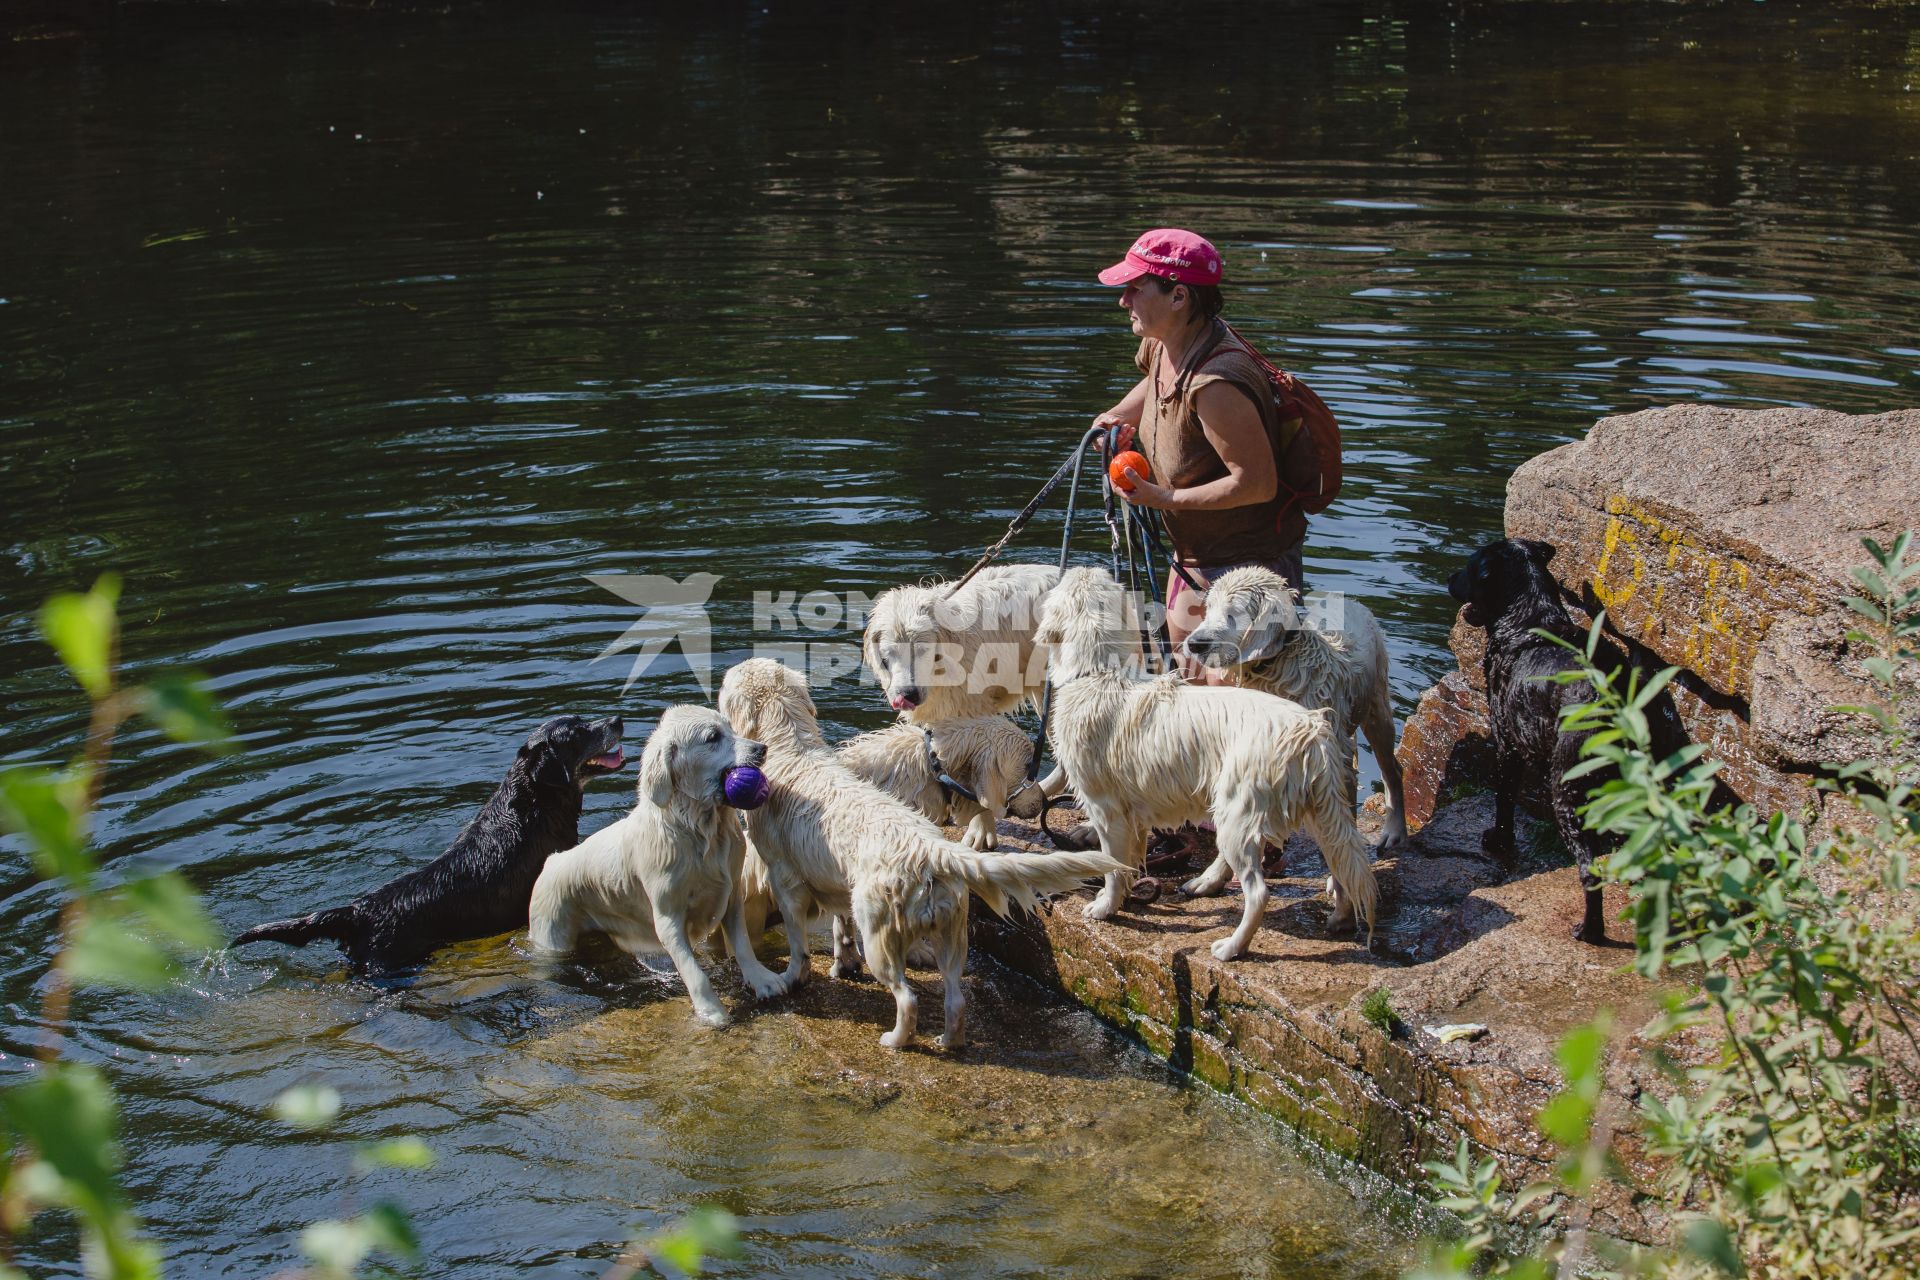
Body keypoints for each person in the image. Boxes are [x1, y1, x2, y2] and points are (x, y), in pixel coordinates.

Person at [1091, 228, 1310, 686]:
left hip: (1247, 573)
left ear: (1179, 297)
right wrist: (1113, 418)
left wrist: (1160, 498)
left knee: (1234, 718)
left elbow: (1255, 484)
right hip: (1192, 559)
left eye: (1135, 287)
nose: (1123, 300)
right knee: (1189, 697)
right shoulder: (1164, 340)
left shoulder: (1216, 385)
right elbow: (1151, 383)